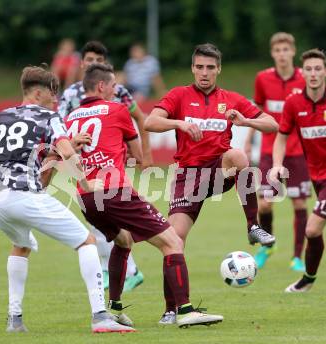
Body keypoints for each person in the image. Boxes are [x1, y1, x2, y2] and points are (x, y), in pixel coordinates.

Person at [66, 63, 224, 328]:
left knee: (124, 241)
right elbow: (137, 152)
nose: (116, 90)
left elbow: (70, 155)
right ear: (102, 86)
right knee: (173, 242)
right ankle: (185, 310)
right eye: (114, 86)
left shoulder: (71, 118)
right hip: (115, 191)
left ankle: (114, 308)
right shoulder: (116, 109)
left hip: (86, 196)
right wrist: (137, 158)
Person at [0, 64, 133, 333]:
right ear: (39, 92)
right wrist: (87, 181)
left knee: (21, 245)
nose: (57, 100)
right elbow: (66, 151)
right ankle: (101, 316)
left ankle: (14, 319)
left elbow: (27, 152)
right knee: (86, 242)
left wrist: (59, 147)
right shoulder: (50, 116)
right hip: (24, 195)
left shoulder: (4, 116)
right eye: (53, 93)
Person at [145, 43, 278, 324]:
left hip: (219, 171)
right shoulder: (179, 95)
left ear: (218, 69)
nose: (204, 73)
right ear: (193, 68)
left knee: (238, 156)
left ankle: (253, 226)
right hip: (188, 177)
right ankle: (172, 309)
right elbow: (150, 122)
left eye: (210, 67)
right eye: (199, 67)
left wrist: (246, 121)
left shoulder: (230, 99)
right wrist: (179, 124)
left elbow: (272, 124)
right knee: (174, 240)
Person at [59, 40, 151, 292]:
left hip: (111, 162)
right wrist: (70, 143)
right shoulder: (70, 95)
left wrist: (144, 154)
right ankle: (118, 269)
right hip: (82, 164)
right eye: (89, 60)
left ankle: (124, 270)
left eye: (98, 61)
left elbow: (139, 117)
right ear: (83, 63)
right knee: (100, 223)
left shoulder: (118, 91)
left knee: (102, 219)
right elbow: (58, 129)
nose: (93, 64)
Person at [270, 49, 326, 292]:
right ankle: (308, 280)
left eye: (317, 69)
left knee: (312, 229)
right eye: (309, 69)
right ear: (304, 73)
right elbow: (281, 137)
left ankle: (307, 281)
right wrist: (277, 164)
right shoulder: (293, 103)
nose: (313, 74)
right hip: (318, 178)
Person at [245, 32, 310, 271]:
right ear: (272, 53)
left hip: (298, 151)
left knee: (300, 204)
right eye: (277, 50)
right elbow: (257, 110)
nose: (282, 55)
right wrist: (249, 139)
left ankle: (297, 258)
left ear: (293, 52)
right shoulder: (263, 78)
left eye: (286, 50)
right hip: (269, 150)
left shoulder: (305, 78)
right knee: (265, 205)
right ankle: (268, 245)